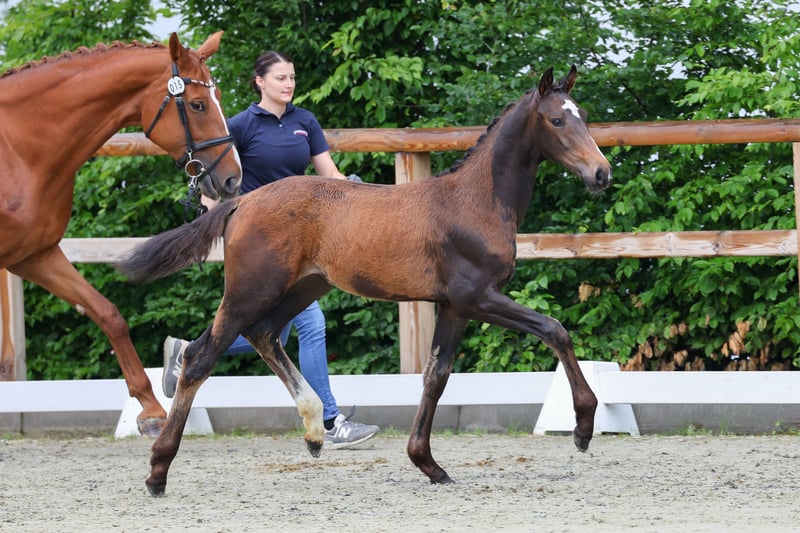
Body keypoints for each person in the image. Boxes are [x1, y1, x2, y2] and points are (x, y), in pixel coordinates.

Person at [162, 50, 379, 450]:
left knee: (267, 329)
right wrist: (210, 221)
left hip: (302, 238)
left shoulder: (304, 122)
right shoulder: (241, 125)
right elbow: (217, 172)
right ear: (260, 81)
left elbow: (328, 174)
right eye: (281, 78)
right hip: (260, 241)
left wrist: (358, 195)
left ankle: (188, 351)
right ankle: (330, 421)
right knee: (311, 324)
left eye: (292, 77)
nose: (289, 84)